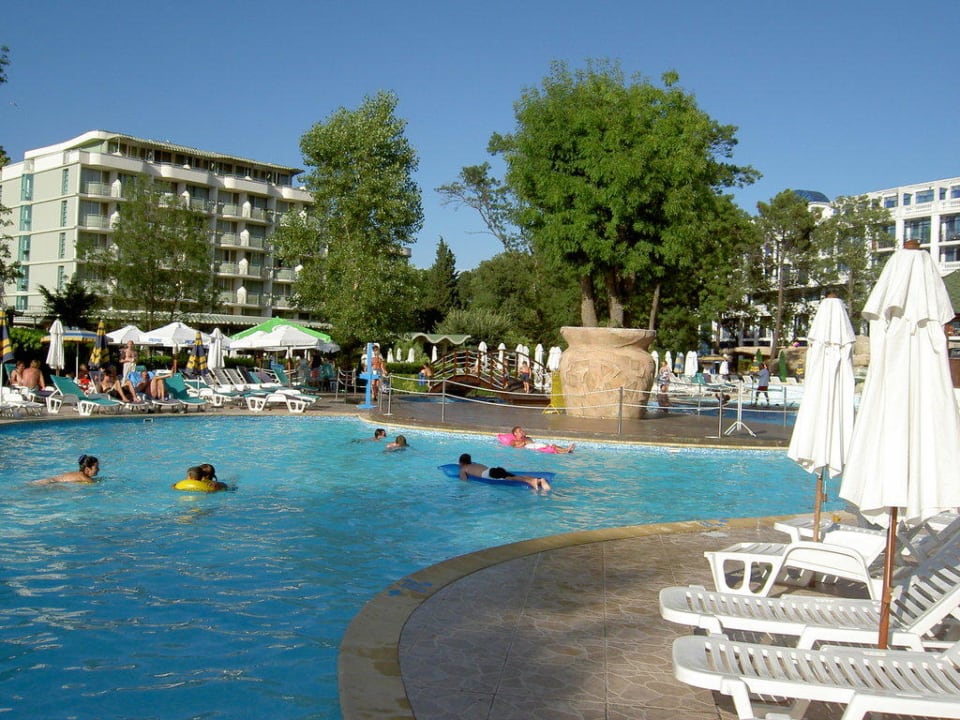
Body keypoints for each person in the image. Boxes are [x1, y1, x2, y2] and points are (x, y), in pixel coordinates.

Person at [457, 453, 550, 490]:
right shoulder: (475, 464)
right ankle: (538, 480)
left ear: (461, 462)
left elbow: (464, 481)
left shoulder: (463, 469)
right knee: (511, 475)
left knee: (511, 478)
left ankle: (530, 481)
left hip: (490, 474)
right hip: (493, 470)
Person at [35, 454, 100, 484]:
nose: (98, 469)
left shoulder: (77, 474)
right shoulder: (84, 477)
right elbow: (95, 484)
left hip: (44, 481)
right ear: (87, 469)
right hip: (48, 484)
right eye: (96, 467)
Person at [509, 425, 575, 454]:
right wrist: (523, 442)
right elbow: (514, 447)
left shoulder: (526, 438)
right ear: (515, 433)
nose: (522, 432)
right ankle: (566, 450)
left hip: (533, 445)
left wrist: (526, 437)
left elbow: (532, 442)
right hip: (528, 447)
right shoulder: (513, 441)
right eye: (520, 431)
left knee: (552, 445)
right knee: (548, 446)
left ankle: (566, 450)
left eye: (521, 430)